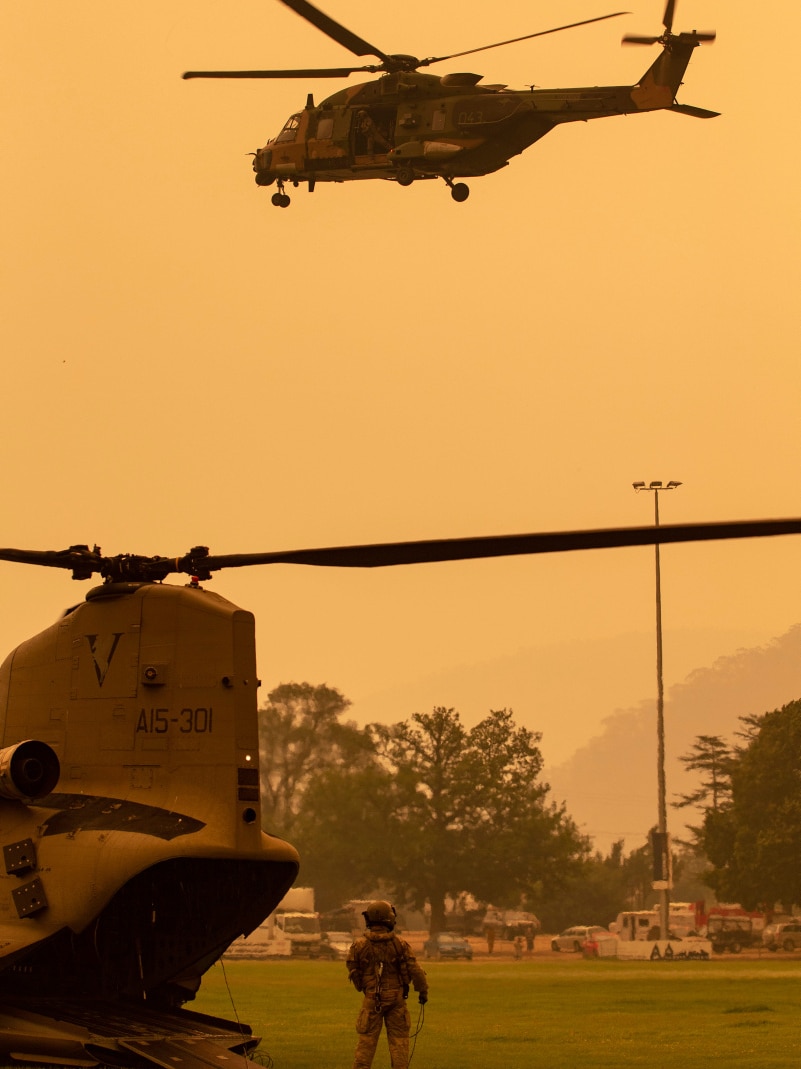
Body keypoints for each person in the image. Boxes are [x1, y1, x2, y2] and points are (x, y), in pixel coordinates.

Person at [346, 900, 428, 1069]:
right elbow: (415, 970)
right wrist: (422, 991)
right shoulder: (401, 944)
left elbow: (354, 971)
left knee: (366, 1044)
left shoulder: (359, 945)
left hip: (371, 1000)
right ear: (389, 919)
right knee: (399, 1043)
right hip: (397, 1000)